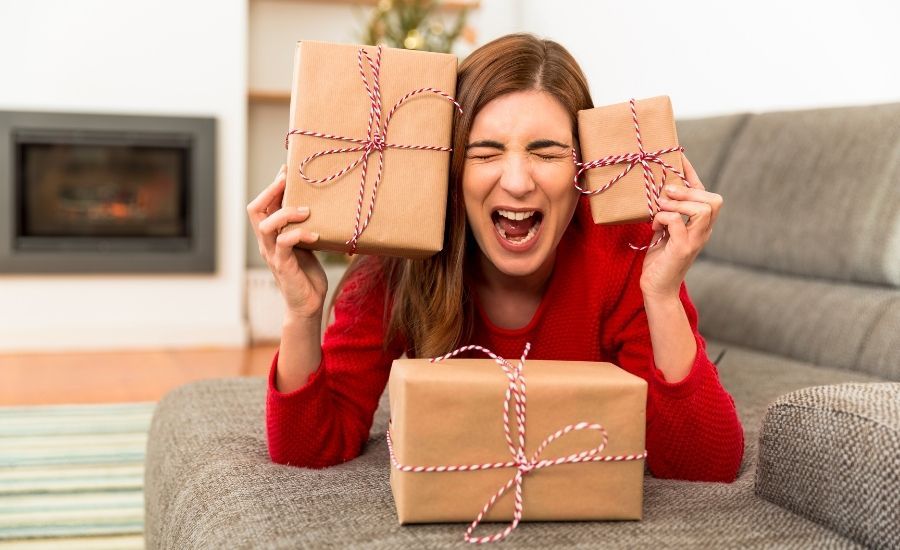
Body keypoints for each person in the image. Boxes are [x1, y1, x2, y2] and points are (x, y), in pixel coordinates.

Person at [247, 33, 744, 482]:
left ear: (584, 171)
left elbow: (705, 465)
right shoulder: (399, 261)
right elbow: (306, 452)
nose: (517, 181)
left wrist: (660, 296)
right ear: (452, 168)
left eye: (546, 153)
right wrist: (302, 313)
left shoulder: (626, 248)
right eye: (485, 153)